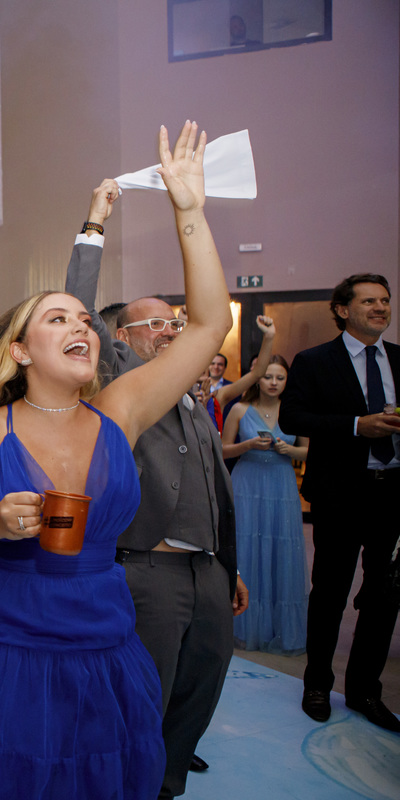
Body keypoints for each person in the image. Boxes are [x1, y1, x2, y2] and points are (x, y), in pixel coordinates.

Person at [0, 123, 233, 798]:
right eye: (58, 319)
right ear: (20, 351)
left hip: (105, 642)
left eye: (85, 319)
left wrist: (189, 211)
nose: (80, 325)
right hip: (8, 647)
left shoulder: (120, 411)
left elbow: (208, 325)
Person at [66, 171, 249, 795]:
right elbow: (79, 309)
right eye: (156, 326)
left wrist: (227, 566)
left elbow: (213, 488)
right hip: (150, 568)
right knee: (144, 691)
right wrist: (95, 224)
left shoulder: (195, 401)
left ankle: (166, 782)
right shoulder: (119, 381)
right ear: (120, 341)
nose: (171, 332)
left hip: (208, 570)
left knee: (203, 683)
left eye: (176, 324)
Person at [280, 273, 400, 733]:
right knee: (330, 592)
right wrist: (356, 426)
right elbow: (293, 416)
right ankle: (317, 684)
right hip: (340, 494)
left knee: (384, 596)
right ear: (343, 310)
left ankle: (366, 690)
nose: (380, 308)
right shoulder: (314, 361)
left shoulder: (398, 358)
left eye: (385, 300)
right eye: (369, 301)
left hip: (392, 493)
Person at [221, 355, 309, 655]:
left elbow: (309, 451)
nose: (273, 383)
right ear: (256, 378)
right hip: (247, 484)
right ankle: (243, 625)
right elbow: (222, 450)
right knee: (246, 546)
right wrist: (247, 445)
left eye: (280, 378)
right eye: (268, 376)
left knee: (280, 549)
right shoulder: (240, 409)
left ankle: (278, 628)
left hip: (281, 485)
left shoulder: (295, 411)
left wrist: (289, 449)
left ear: (287, 381)